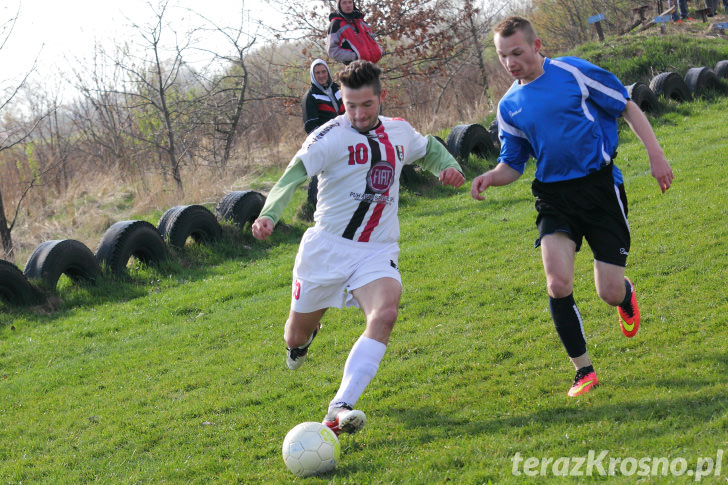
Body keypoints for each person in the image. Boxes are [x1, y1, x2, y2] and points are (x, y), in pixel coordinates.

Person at [252, 60, 464, 434]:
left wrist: (448, 166)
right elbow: (294, 174)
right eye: (350, 105)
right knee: (295, 335)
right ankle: (303, 340)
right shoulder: (328, 136)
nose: (358, 113)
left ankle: (338, 408)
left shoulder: (398, 132)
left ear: (381, 98)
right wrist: (270, 214)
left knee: (385, 314)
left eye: (366, 105)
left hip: (376, 249)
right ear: (341, 101)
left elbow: (428, 148)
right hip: (326, 249)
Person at [470, 16, 674, 397]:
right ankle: (584, 371)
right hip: (554, 197)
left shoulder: (574, 72)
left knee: (608, 292)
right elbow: (513, 164)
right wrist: (489, 177)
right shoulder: (509, 105)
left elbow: (627, 106)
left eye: (517, 52)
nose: (511, 62)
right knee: (558, 282)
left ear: (536, 44)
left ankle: (624, 295)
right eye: (502, 57)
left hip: (599, 189)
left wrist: (656, 155)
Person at [327, 0, 383, 65]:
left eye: (350, 2)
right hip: (354, 69)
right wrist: (355, 56)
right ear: (339, 5)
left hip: (371, 66)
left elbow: (372, 41)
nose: (348, 5)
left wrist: (379, 51)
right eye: (344, 3)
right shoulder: (336, 24)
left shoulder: (361, 21)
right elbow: (332, 51)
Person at [302, 59, 345, 135]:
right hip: (329, 141)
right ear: (313, 75)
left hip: (348, 135)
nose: (321, 76)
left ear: (328, 72)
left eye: (323, 71)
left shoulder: (338, 89)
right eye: (317, 73)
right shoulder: (310, 97)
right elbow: (311, 128)